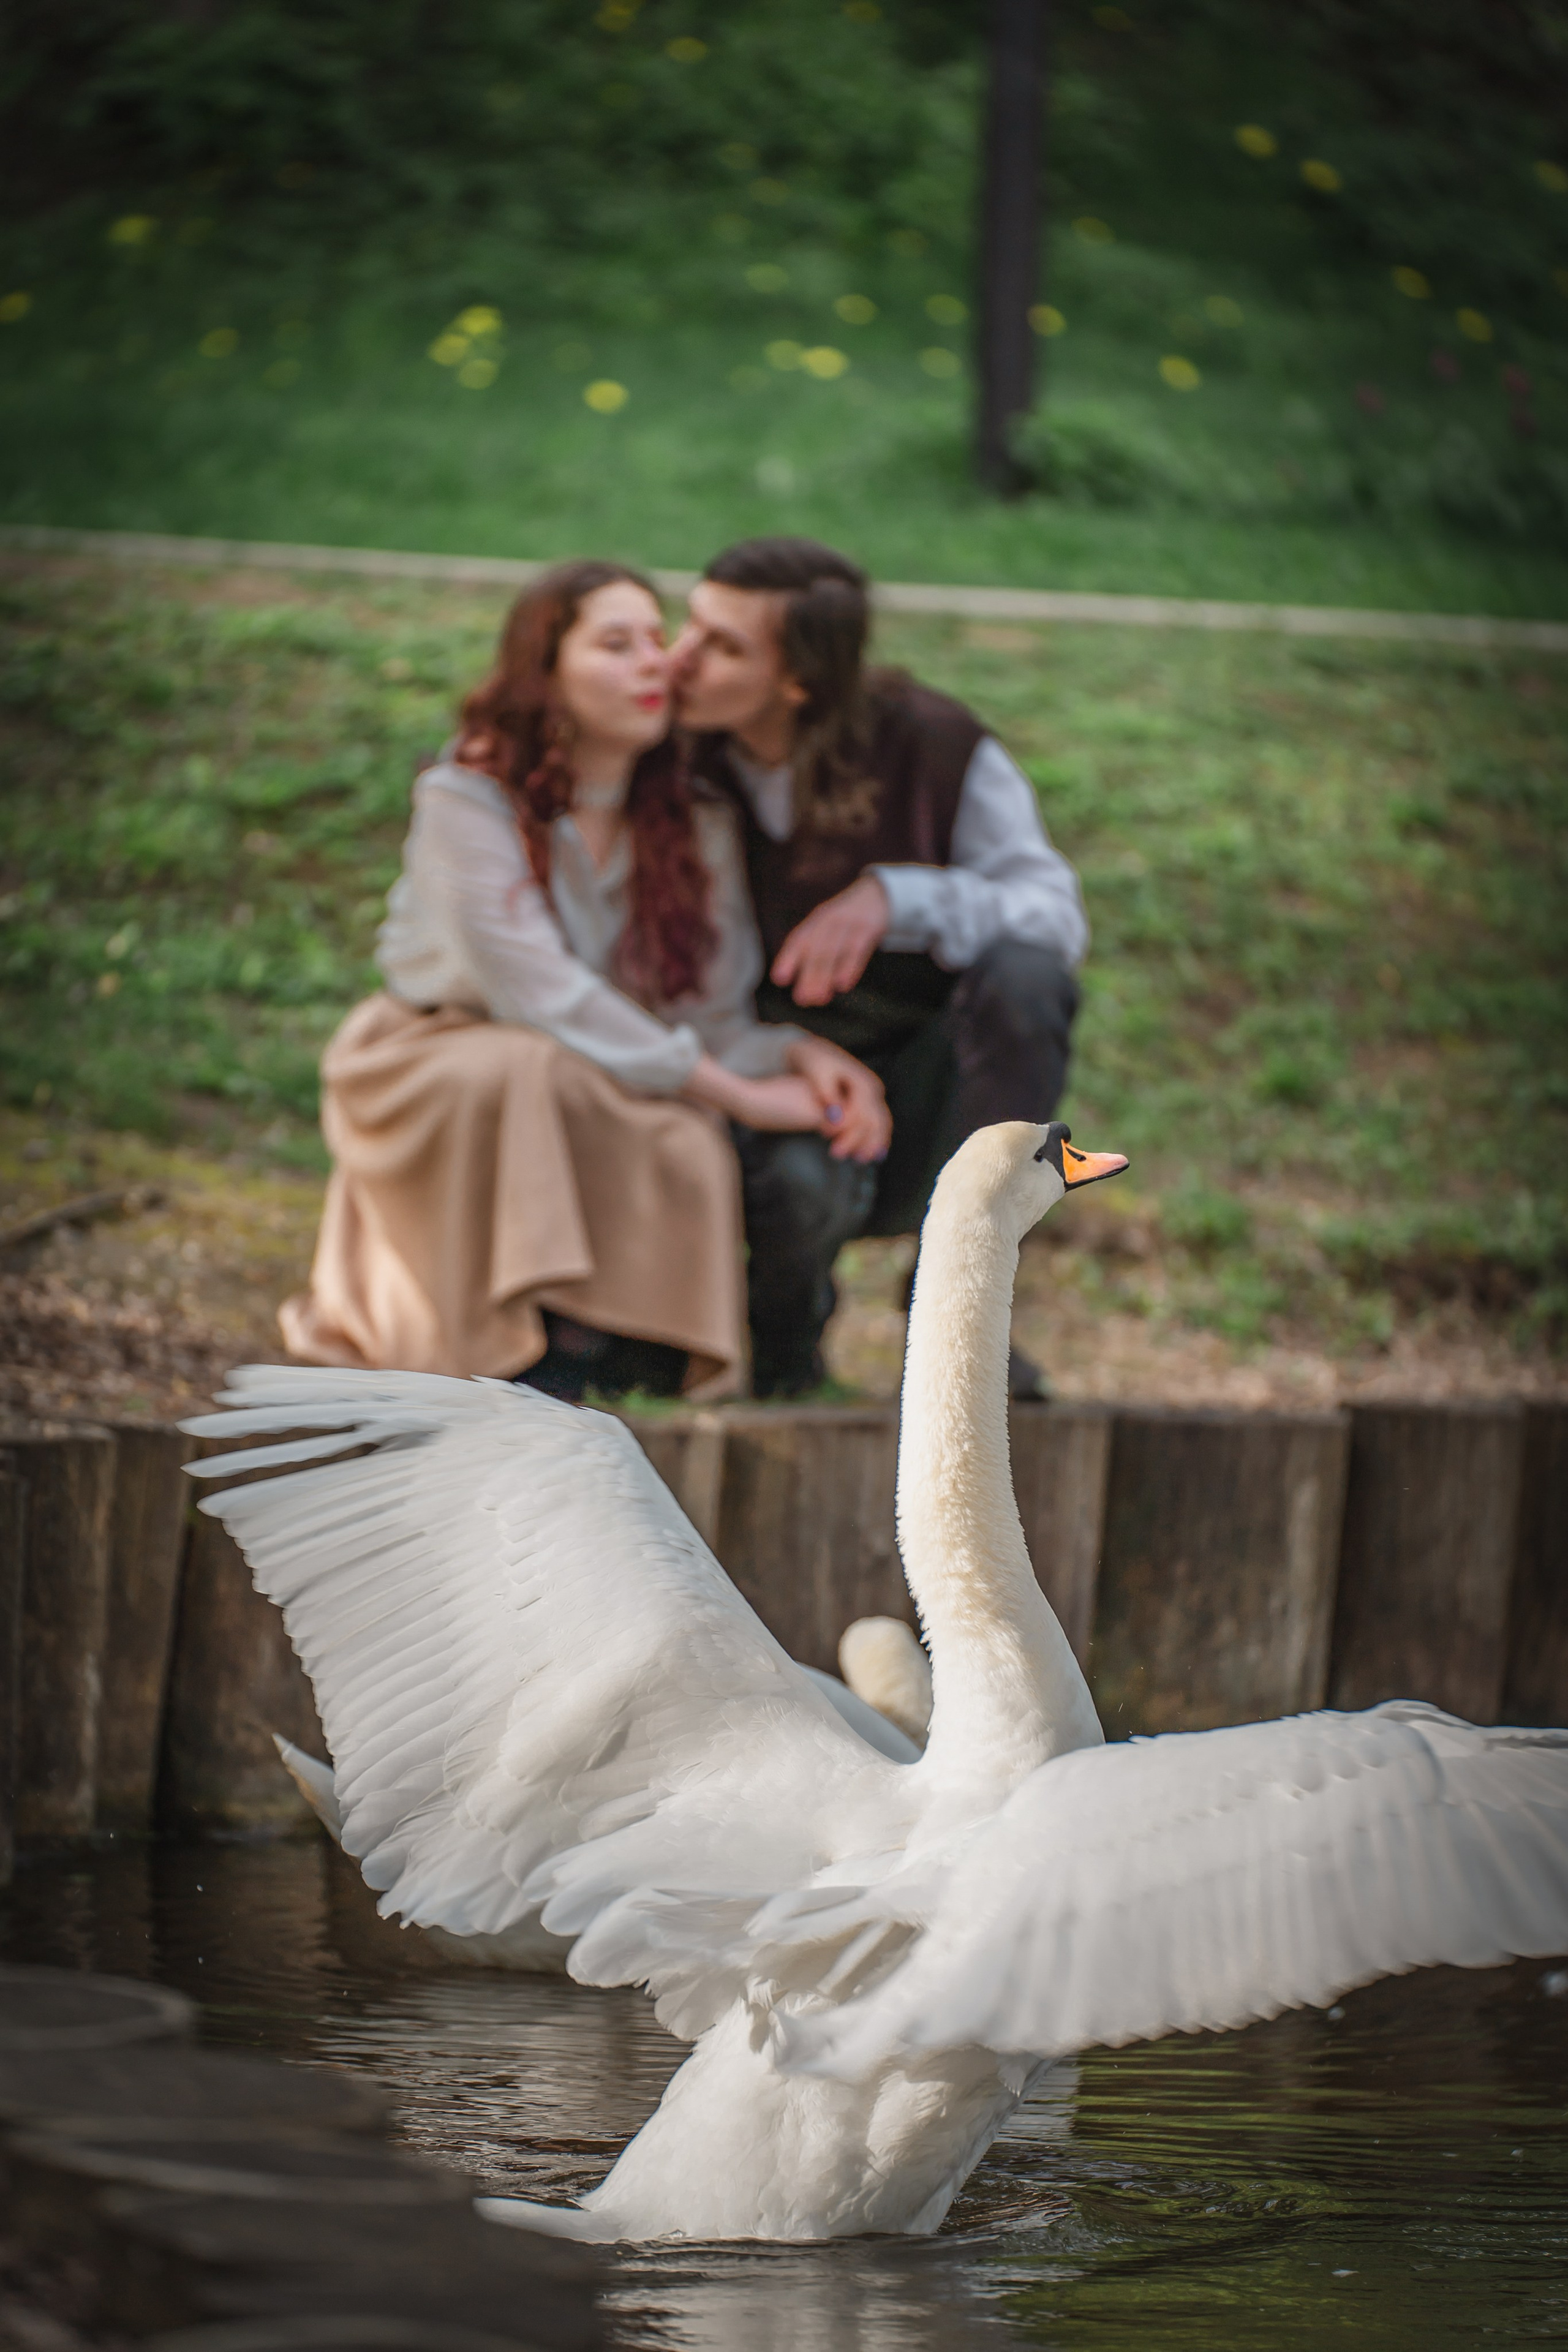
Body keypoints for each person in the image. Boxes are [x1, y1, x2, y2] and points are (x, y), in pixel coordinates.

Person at [281, 560, 888, 1402]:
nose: (656, 662)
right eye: (616, 643)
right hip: (431, 1054)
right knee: (536, 1071)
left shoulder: (692, 820)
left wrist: (794, 1055)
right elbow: (539, 993)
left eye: (655, 639)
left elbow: (704, 1011)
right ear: (546, 671)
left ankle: (620, 1344)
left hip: (602, 1064)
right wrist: (739, 1096)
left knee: (680, 1136)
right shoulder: (467, 798)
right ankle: (516, 1338)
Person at [672, 536, 1088, 1398]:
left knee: (1028, 977)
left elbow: (1055, 917)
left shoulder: (932, 745)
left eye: (723, 646)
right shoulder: (669, 747)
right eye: (690, 625)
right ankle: (783, 1349)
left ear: (800, 683)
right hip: (759, 1072)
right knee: (796, 1188)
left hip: (926, 1085)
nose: (680, 659)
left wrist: (899, 899)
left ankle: (962, 1305)